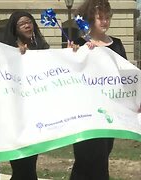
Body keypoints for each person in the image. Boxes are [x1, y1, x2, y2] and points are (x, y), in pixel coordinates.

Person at [70, 1, 127, 180]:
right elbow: (70, 75)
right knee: (84, 158)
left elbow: (126, 78)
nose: (104, 21)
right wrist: (73, 55)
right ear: (90, 19)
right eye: (99, 17)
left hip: (109, 115)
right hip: (84, 113)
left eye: (107, 17)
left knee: (102, 157)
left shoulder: (117, 45)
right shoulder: (79, 44)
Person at [1, 11, 50, 180]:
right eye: (22, 23)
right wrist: (14, 55)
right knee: (21, 165)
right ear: (15, 28)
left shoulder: (41, 48)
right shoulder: (7, 51)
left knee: (30, 165)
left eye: (29, 22)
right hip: (16, 118)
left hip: (35, 116)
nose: (27, 25)